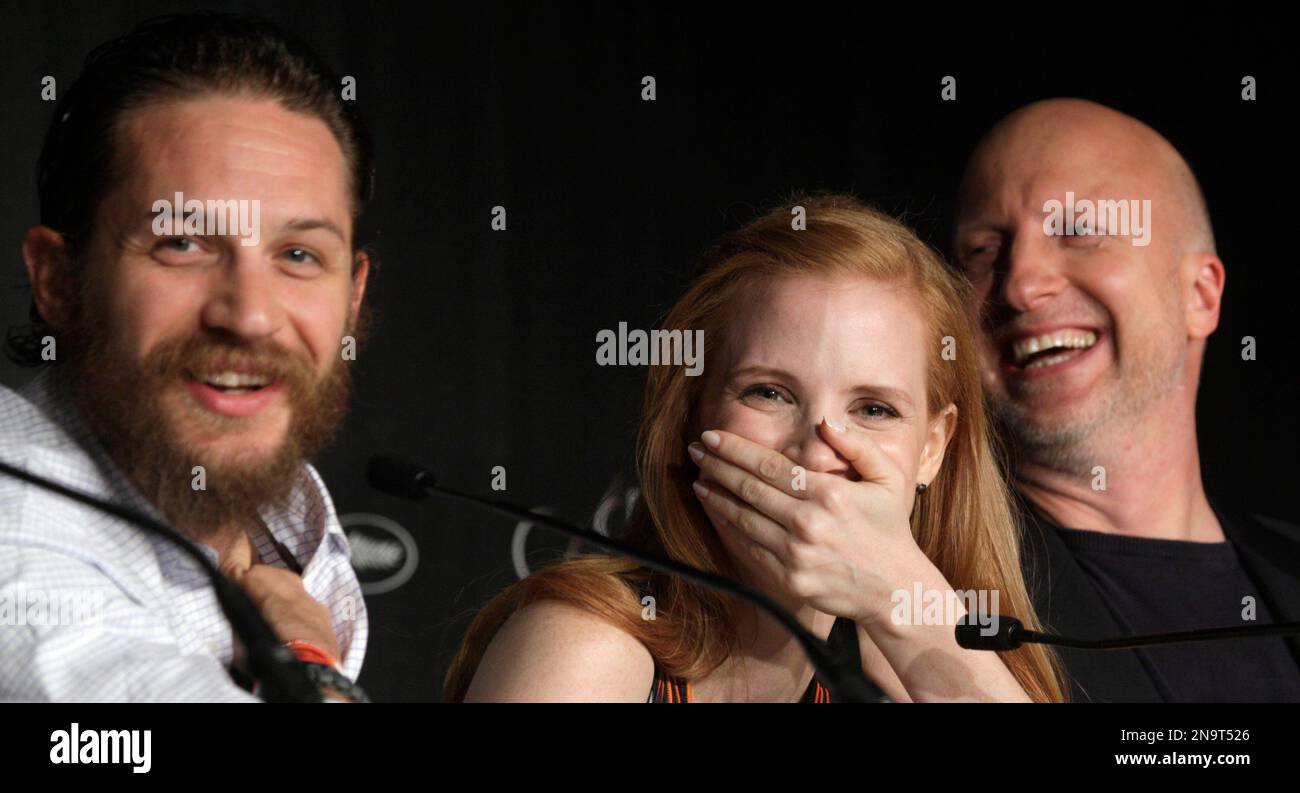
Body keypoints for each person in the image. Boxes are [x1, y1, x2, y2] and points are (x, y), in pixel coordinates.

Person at [446, 194, 1065, 702]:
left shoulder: (897, 674)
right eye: (768, 393)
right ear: (692, 413)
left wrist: (902, 601)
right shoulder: (588, 647)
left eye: (873, 409)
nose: (817, 454)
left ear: (932, 447)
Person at [0, 12, 375, 701]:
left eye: (297, 255)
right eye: (183, 243)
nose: (251, 314)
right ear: (57, 279)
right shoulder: (14, 528)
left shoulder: (281, 517)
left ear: (352, 295)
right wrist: (310, 661)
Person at [954, 98, 1300, 702]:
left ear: (1200, 296)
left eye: (1080, 230)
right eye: (983, 251)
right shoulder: (927, 597)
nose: (1019, 283)